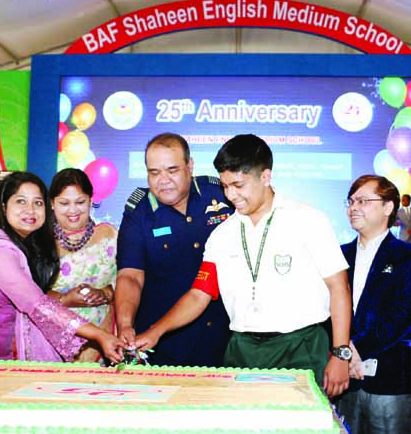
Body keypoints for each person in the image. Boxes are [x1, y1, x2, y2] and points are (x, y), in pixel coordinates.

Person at [134, 134, 358, 397]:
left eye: (238, 185)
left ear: (265, 177)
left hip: (301, 348)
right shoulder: (222, 234)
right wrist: (156, 331)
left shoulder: (308, 220)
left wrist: (341, 354)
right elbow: (199, 294)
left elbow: (339, 288)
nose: (231, 195)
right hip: (241, 349)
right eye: (226, 186)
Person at [0, 172, 122, 370]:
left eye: (37, 203)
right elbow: (36, 303)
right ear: (3, 206)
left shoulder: (21, 244)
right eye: (21, 201)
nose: (30, 210)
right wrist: (99, 335)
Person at [336, 175, 411, 434]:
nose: (353, 208)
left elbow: (405, 314)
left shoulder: (409, 256)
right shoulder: (339, 256)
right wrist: (342, 356)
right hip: (344, 381)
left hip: (388, 379)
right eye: (351, 202)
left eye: (363, 201)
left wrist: (355, 349)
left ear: (388, 206)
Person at [115, 133, 231, 366]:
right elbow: (130, 276)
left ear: (190, 166)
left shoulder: (219, 193)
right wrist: (125, 323)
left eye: (172, 170)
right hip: (163, 342)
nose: (163, 180)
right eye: (154, 172)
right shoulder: (139, 212)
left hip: (224, 337)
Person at [48, 168, 117, 362]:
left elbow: (129, 283)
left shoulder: (109, 236)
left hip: (105, 340)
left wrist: (105, 294)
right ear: (52, 203)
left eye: (80, 202)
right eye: (64, 203)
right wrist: (64, 299)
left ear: (90, 200)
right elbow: (27, 294)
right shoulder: (40, 243)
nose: (73, 210)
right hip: (53, 341)